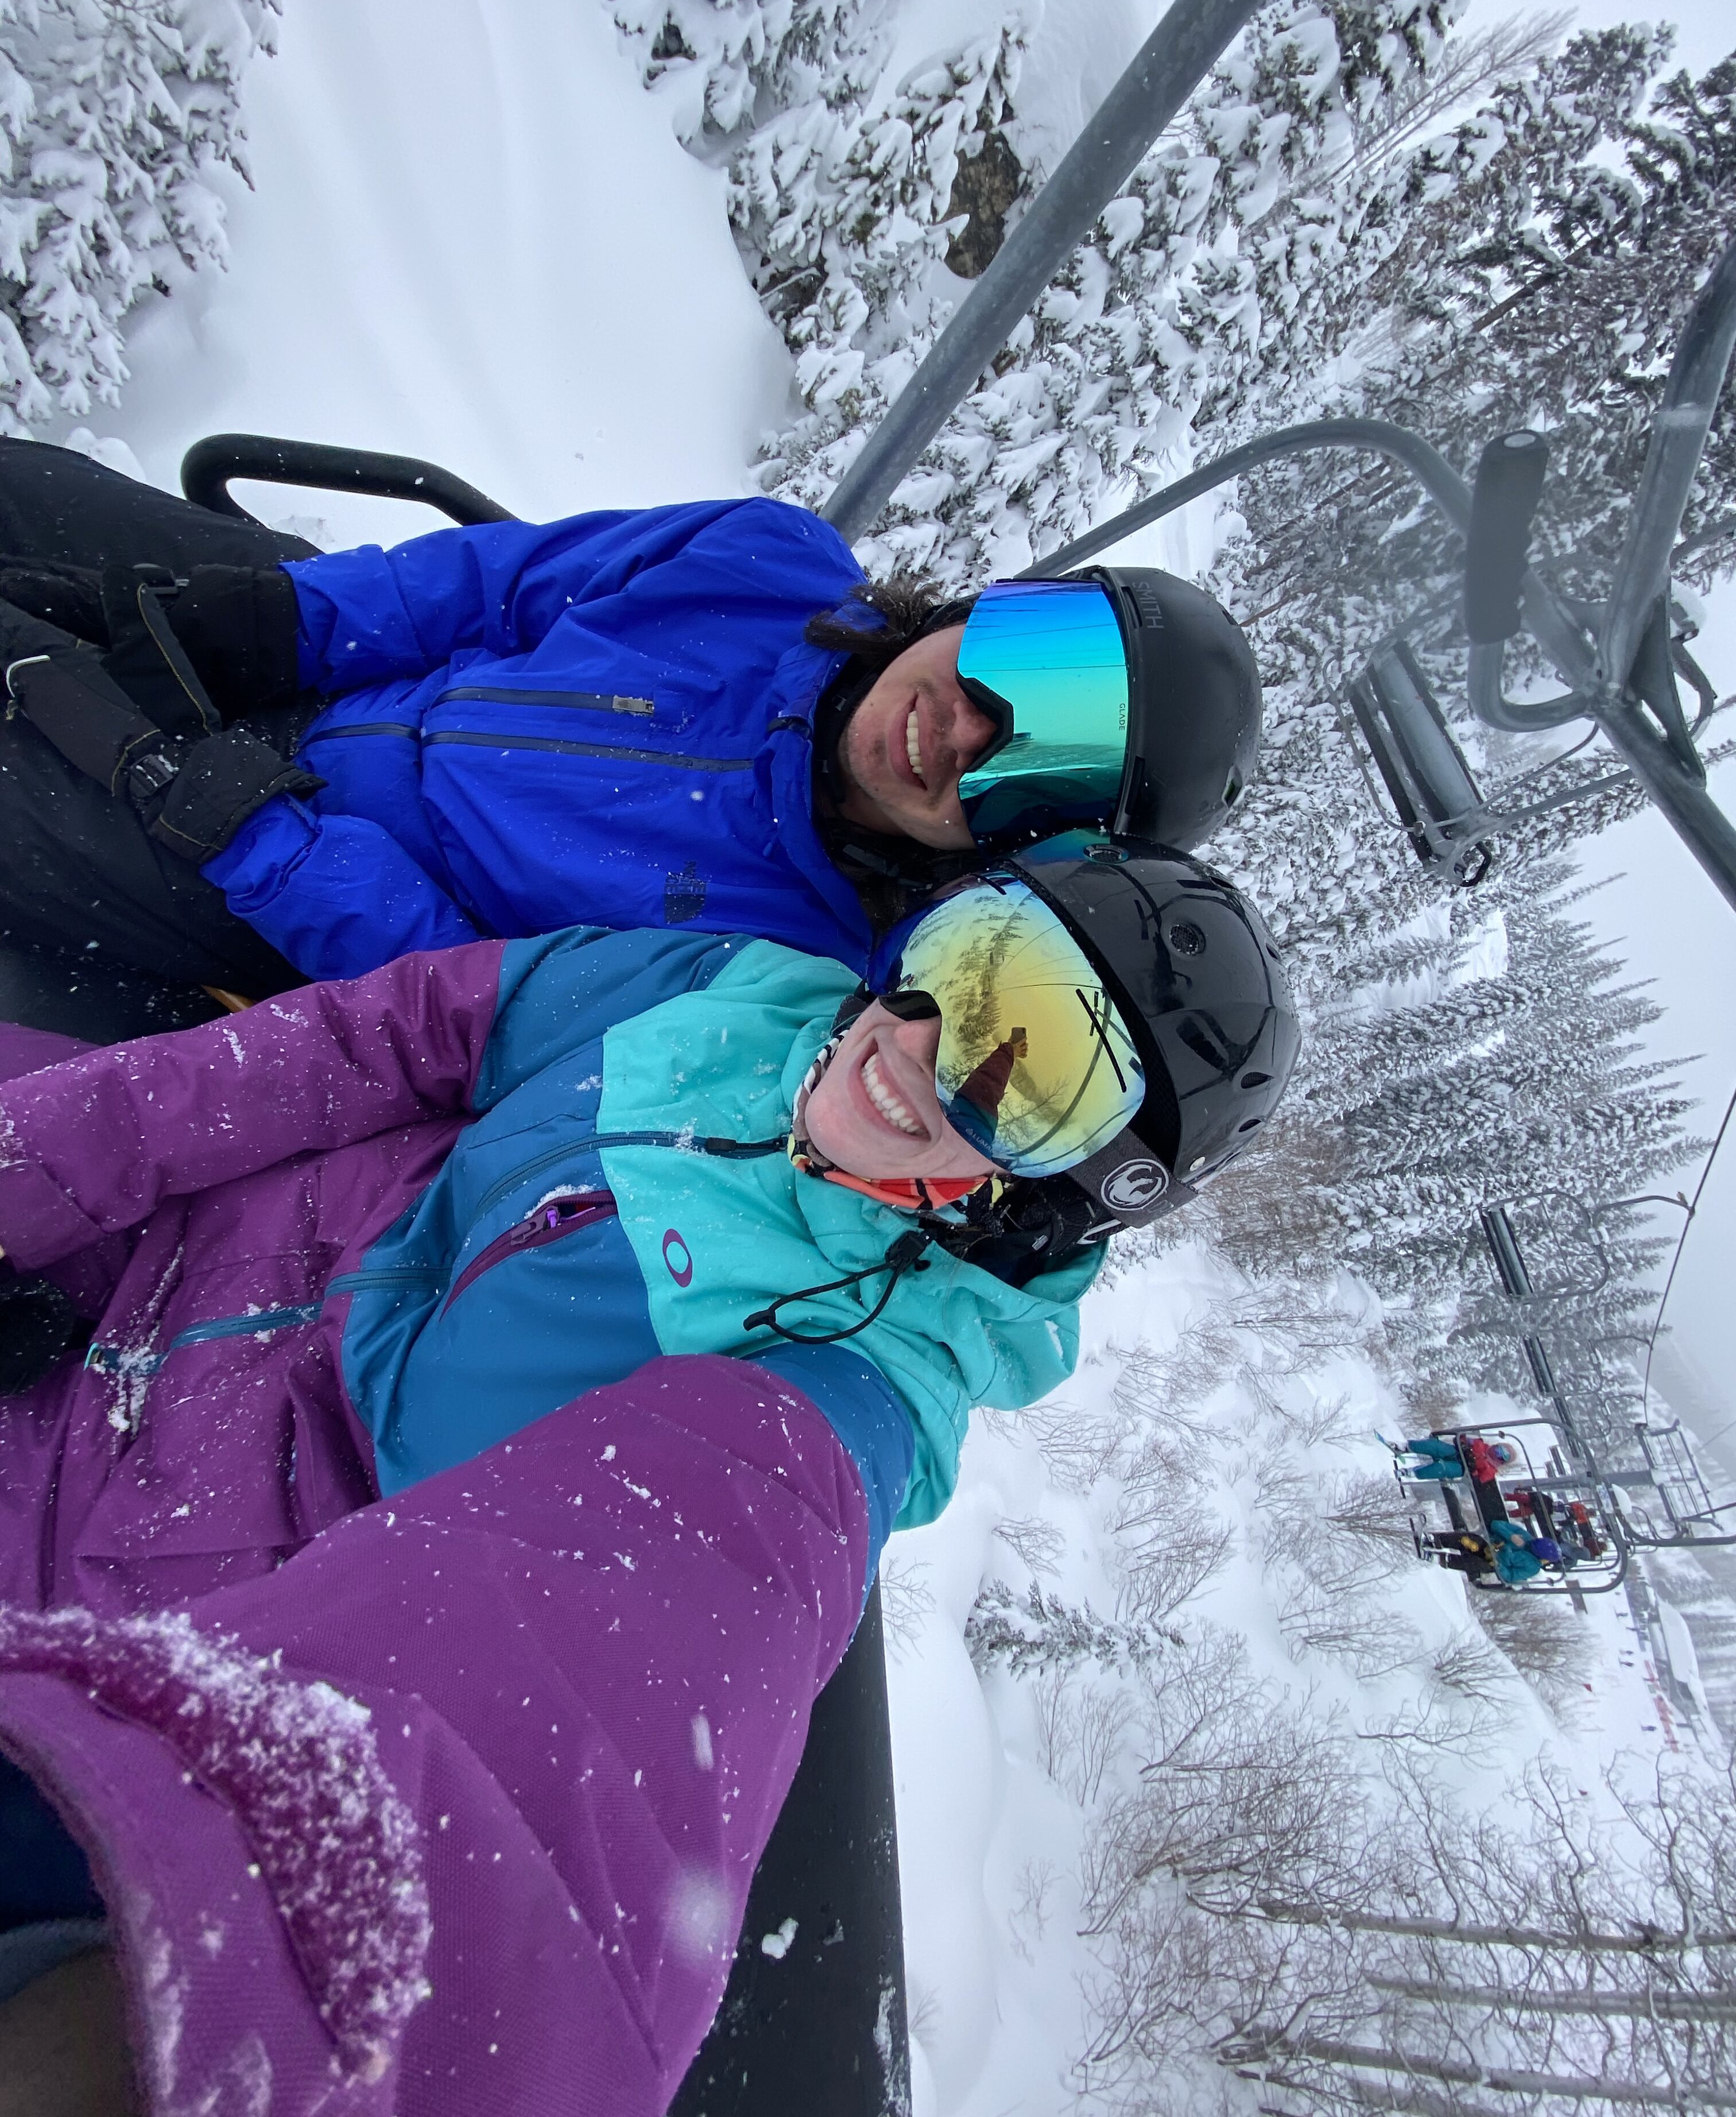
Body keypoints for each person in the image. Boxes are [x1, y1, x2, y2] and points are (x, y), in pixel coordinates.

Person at [0, 834, 1297, 2114]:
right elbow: (391, 1035)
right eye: (969, 960)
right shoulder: (736, 993)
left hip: (130, 1556)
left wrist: (225, 1960)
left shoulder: (854, 1385)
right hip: (165, 1233)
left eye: (1032, 1077)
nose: (921, 1038)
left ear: (1068, 1191)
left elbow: (606, 1670)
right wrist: (33, 1174)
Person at [0, 440, 1262, 997]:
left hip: (283, 890)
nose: (973, 728)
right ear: (996, 605)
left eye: (1035, 776)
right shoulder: (768, 563)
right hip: (336, 685)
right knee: (26, 500)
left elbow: (483, 1007)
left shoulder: (791, 967)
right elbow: (492, 585)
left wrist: (266, 842)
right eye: (1030, 663)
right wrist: (277, 624)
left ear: (1017, 851)